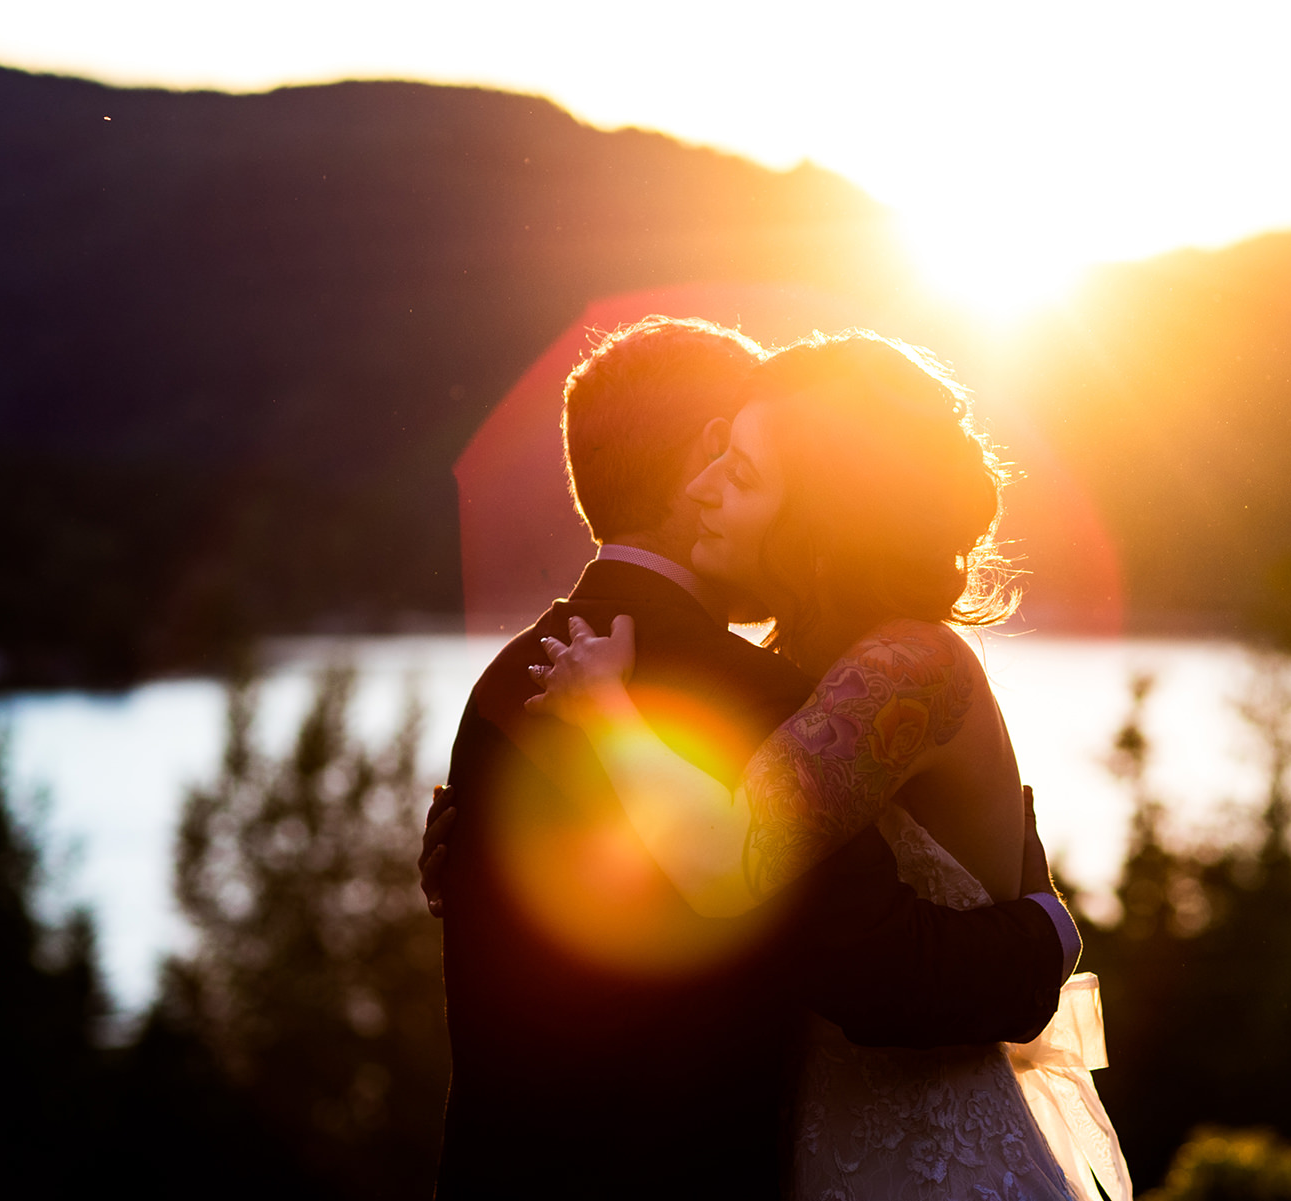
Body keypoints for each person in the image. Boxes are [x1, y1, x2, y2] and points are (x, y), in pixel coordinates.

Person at [426, 316, 1082, 1200]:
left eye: (739, 472)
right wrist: (1042, 928)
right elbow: (884, 974)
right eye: (720, 460)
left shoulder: (509, 676)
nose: (708, 489)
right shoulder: (762, 694)